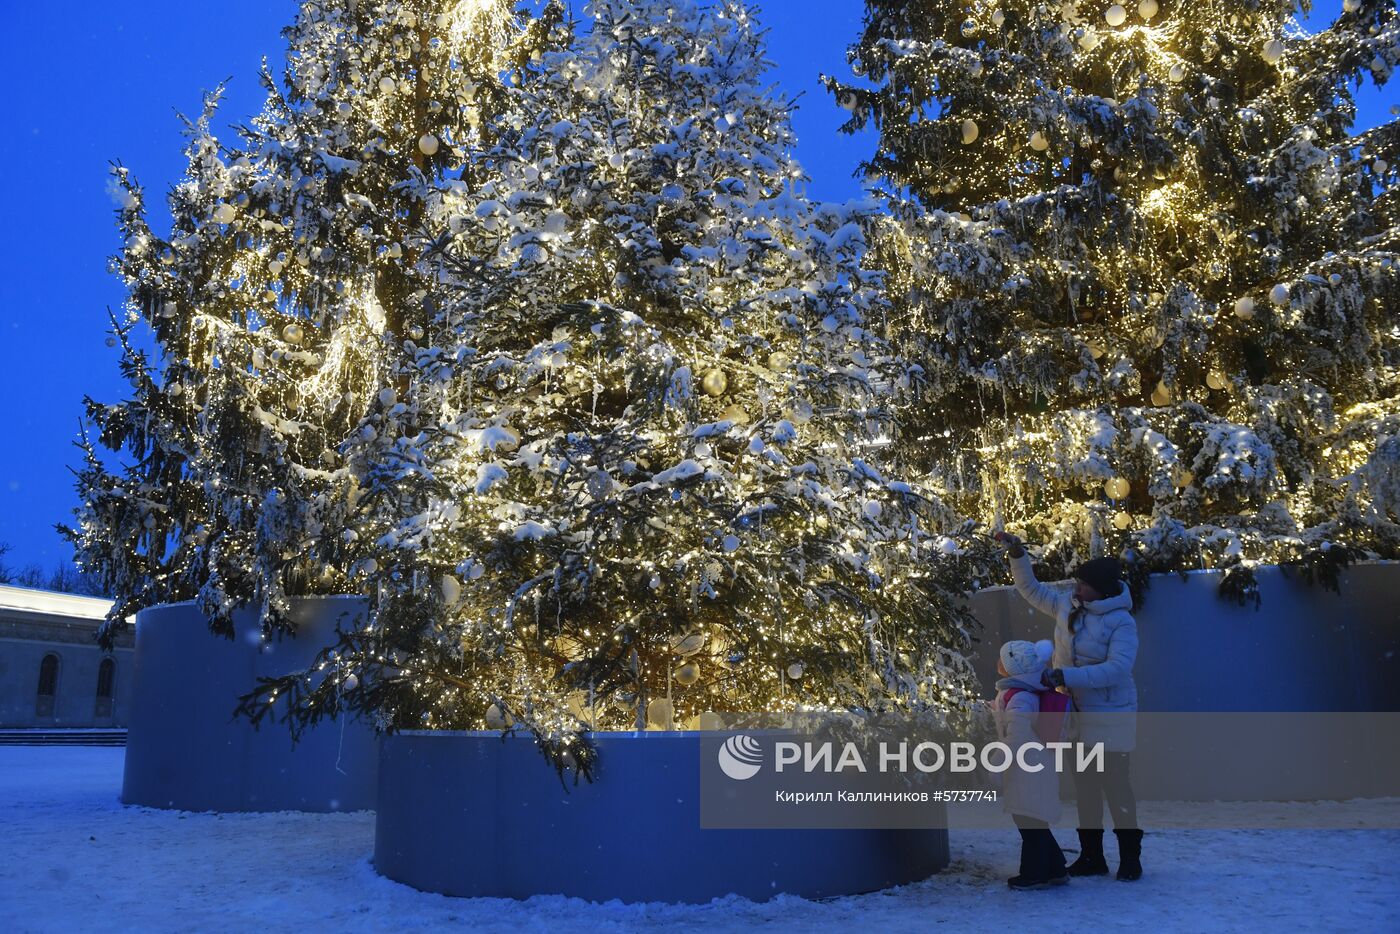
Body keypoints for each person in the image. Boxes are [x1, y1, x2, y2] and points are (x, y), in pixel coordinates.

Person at [994, 531, 1143, 882]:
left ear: (1103, 589)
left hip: (1110, 716)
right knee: (1086, 787)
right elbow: (1031, 590)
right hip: (1072, 716)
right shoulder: (1068, 605)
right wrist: (1017, 554)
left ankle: (1130, 859)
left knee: (1116, 786)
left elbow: (1118, 669)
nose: (1076, 587)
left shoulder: (1121, 621)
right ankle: (1092, 857)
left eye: (1083, 584)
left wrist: (1066, 676)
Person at [994, 638, 1071, 890]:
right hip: (1033, 765)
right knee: (1035, 820)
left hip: (1027, 768)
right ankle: (1055, 868)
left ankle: (1034, 874)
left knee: (1029, 823)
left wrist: (997, 761)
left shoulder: (1021, 698)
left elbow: (1017, 734)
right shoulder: (1023, 693)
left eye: (1003, 659)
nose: (999, 663)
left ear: (1015, 668)